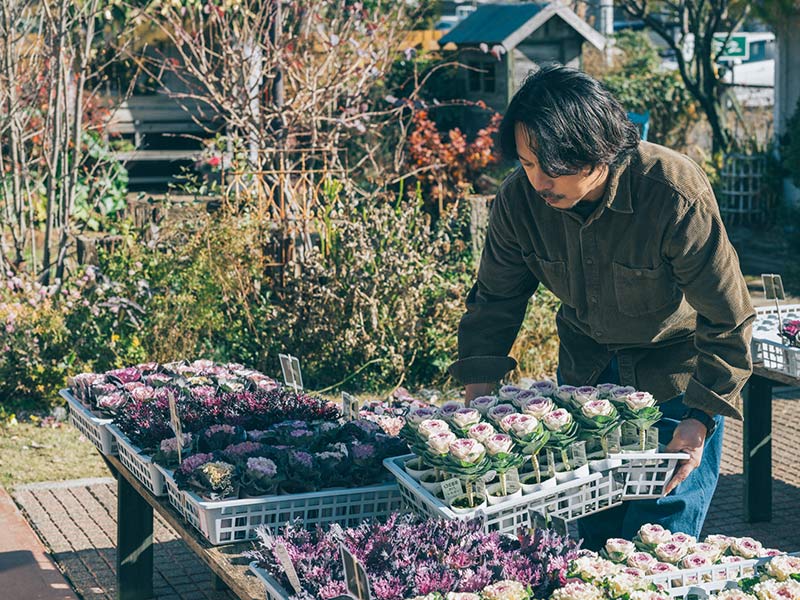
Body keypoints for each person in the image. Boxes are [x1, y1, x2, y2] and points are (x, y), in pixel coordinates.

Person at [448, 65, 755, 550]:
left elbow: (727, 315)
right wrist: (477, 400)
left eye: (552, 166)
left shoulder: (671, 192)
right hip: (588, 378)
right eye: (527, 163)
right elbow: (495, 300)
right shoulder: (518, 202)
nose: (538, 181)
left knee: (659, 536)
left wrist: (700, 420)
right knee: (596, 533)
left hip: (675, 376)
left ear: (598, 151)